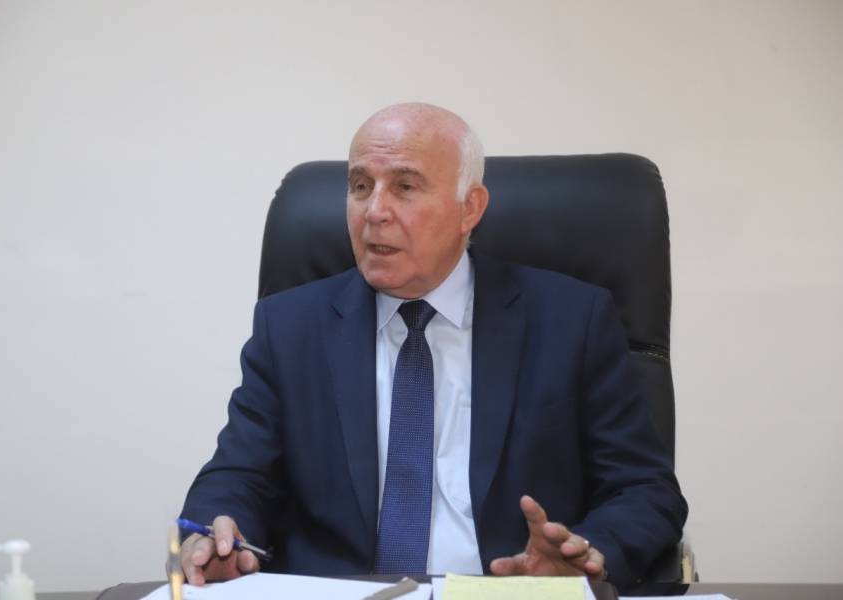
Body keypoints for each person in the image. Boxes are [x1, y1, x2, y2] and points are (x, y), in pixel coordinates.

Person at [178, 103, 687, 586]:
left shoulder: (571, 321)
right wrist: (218, 533)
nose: (374, 211)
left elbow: (644, 489)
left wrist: (587, 553)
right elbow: (238, 476)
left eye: (404, 186)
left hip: (504, 594)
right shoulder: (290, 327)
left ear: (470, 208)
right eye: (360, 186)